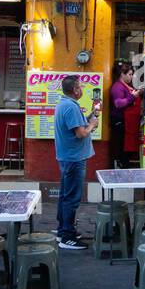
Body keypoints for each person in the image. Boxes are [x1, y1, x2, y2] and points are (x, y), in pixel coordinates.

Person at [53, 75, 100, 250]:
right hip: (73, 158)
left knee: (65, 195)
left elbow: (77, 126)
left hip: (68, 157)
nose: (82, 89)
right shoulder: (70, 107)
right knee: (72, 198)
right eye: (80, 86)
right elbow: (80, 133)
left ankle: (63, 230)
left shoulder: (65, 104)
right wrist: (91, 125)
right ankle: (67, 236)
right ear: (75, 89)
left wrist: (89, 117)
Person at [108, 63, 141, 168]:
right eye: (130, 74)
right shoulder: (118, 87)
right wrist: (133, 96)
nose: (131, 77)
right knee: (122, 149)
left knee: (125, 149)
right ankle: (121, 168)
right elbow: (118, 103)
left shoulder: (126, 86)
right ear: (122, 74)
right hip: (120, 124)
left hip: (127, 123)